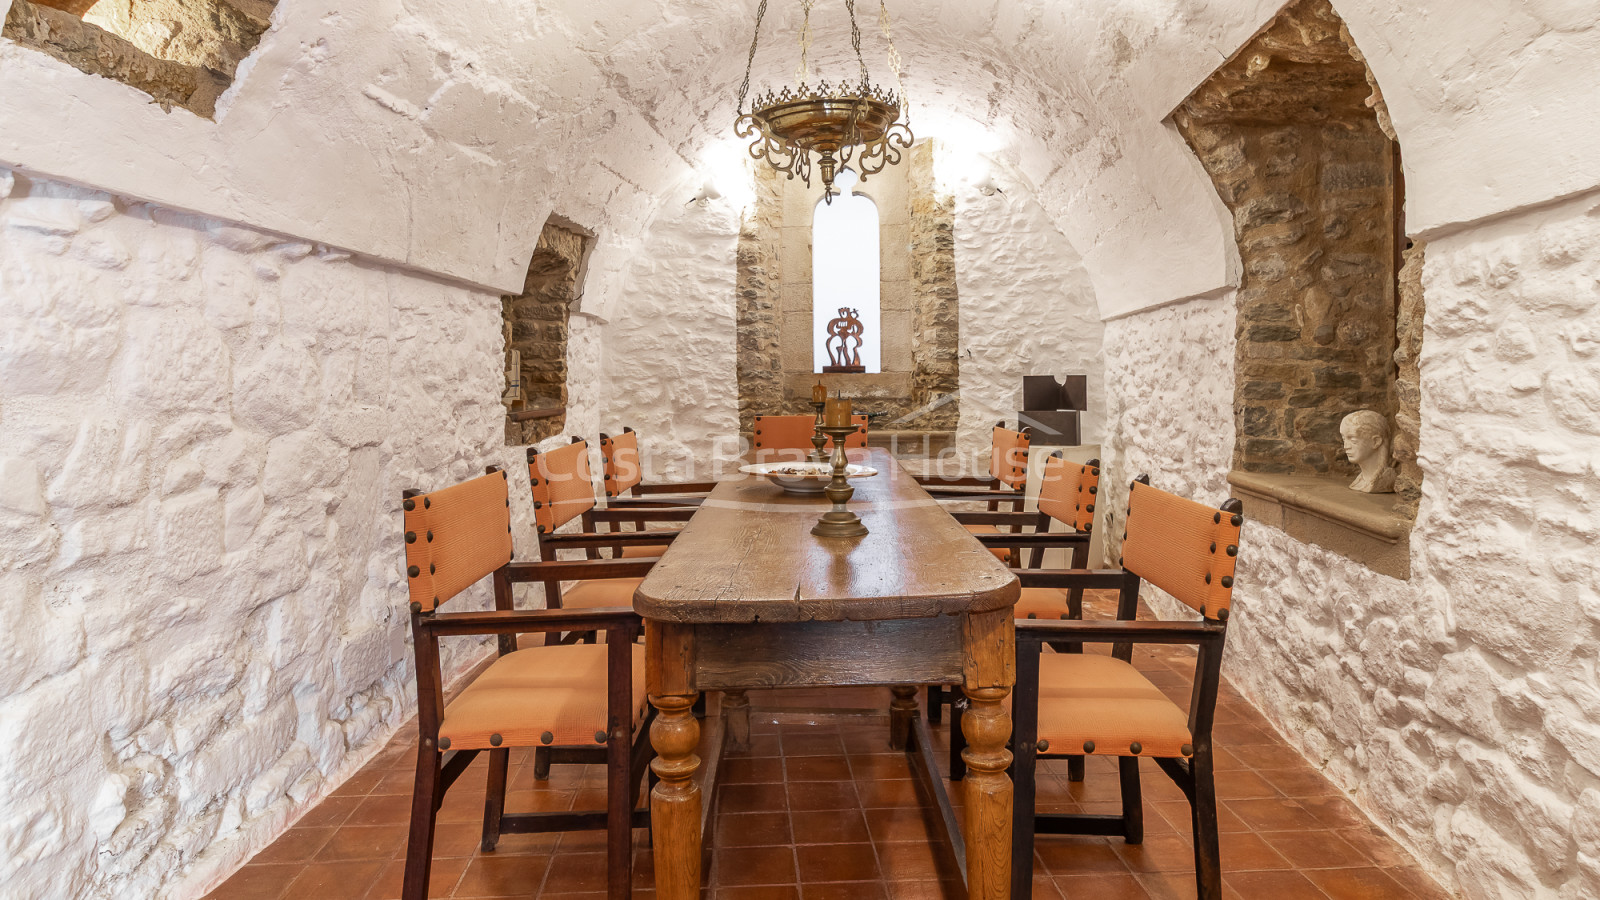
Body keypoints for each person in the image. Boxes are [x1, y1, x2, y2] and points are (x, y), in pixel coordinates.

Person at [1340, 410, 1397, 494]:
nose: (1346, 446)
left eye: (1353, 440)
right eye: (1344, 439)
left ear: (1376, 442)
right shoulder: (1360, 481)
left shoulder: (1385, 478)